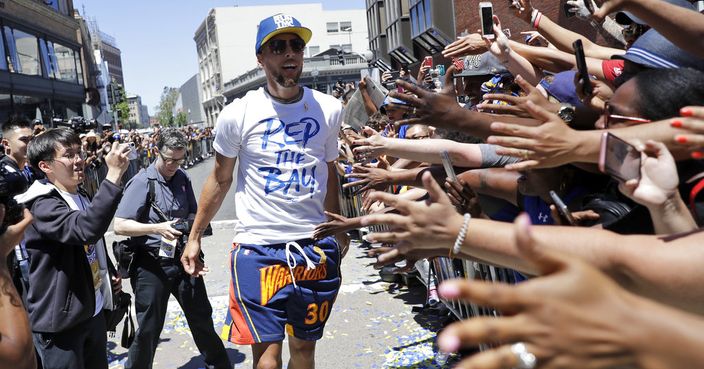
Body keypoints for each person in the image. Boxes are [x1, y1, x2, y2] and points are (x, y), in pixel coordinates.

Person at [181, 13, 349, 369]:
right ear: (261, 57)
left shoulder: (329, 109)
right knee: (267, 359)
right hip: (258, 250)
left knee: (304, 351)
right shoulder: (237, 113)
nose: (290, 53)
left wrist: (338, 226)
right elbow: (220, 178)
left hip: (313, 248)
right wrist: (195, 236)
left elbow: (329, 168)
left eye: (296, 45)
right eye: (278, 46)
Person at [113, 128, 230, 369]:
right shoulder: (142, 181)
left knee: (201, 318)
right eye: (169, 159)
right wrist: (157, 228)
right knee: (148, 327)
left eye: (179, 159)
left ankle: (220, 364)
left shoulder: (182, 178)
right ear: (156, 152)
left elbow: (192, 214)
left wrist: (193, 237)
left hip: (182, 257)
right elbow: (120, 226)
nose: (174, 165)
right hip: (150, 264)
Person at [18, 129, 130, 369]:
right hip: (62, 323)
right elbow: (86, 229)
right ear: (45, 166)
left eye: (78, 152)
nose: (79, 160)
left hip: (92, 312)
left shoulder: (79, 193)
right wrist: (113, 176)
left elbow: (93, 240)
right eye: (68, 155)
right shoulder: (42, 203)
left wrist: (107, 274)